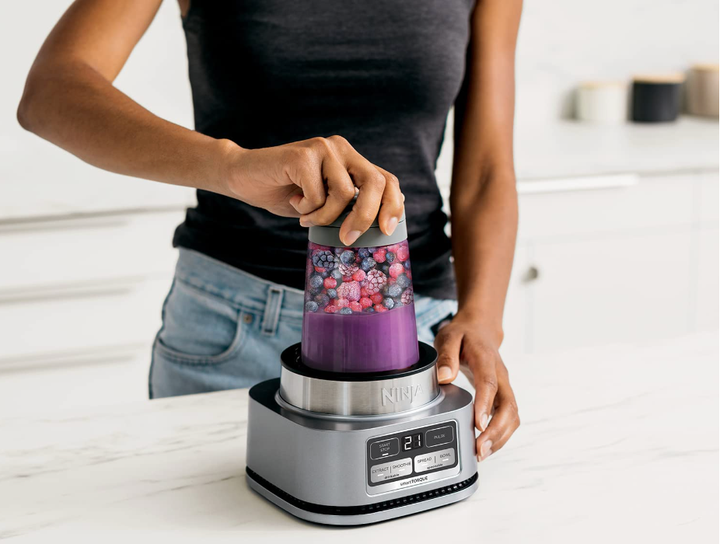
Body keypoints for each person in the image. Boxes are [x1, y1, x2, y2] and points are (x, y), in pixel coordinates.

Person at [18, 0, 521, 462]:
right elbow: (52, 91)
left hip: (414, 340)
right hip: (230, 330)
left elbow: (485, 172)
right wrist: (232, 166)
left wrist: (482, 316)